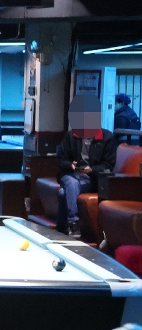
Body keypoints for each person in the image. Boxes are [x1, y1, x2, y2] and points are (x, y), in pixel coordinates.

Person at [56, 94, 118, 239]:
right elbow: (60, 161)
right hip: (70, 175)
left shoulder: (107, 138)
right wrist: (71, 165)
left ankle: (63, 226)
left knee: (63, 193)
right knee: (71, 182)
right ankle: (73, 223)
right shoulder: (71, 136)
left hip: (92, 179)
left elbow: (109, 165)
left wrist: (91, 170)